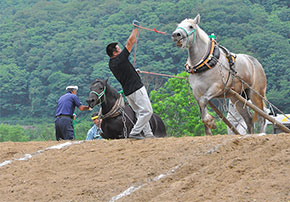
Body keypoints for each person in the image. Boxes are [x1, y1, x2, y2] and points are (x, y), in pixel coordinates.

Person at [106, 20, 154, 140]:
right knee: (147, 112)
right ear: (115, 52)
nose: (121, 49)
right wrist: (136, 28)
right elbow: (130, 42)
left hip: (128, 92)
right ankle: (135, 133)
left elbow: (124, 71)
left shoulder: (111, 63)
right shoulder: (120, 58)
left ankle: (148, 134)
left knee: (139, 113)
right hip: (137, 88)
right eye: (118, 48)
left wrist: (133, 71)